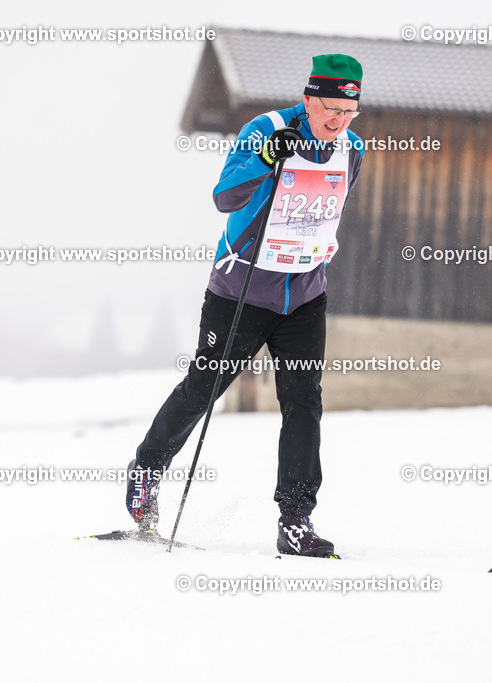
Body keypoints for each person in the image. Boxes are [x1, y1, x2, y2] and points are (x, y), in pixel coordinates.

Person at [125, 54, 365, 557]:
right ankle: (147, 468)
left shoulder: (353, 149)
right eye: (329, 110)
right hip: (240, 292)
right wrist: (265, 159)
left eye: (348, 112)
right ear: (308, 98)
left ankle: (295, 518)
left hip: (304, 297)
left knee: (304, 404)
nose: (337, 122)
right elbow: (225, 197)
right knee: (203, 387)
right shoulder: (266, 129)